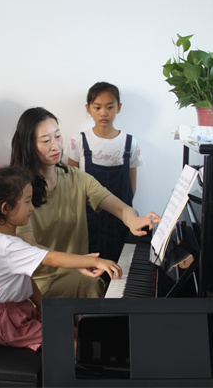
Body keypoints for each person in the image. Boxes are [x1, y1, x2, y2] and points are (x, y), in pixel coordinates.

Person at [10, 107, 161, 298]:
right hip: (39, 282)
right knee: (94, 285)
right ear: (28, 145)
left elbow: (121, 208)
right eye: (46, 141)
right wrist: (81, 261)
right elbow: (31, 249)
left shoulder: (77, 178)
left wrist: (132, 220)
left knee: (102, 282)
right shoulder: (20, 191)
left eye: (58, 136)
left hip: (79, 272)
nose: (56, 146)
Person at [0, 166, 122, 350]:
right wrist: (94, 261)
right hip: (6, 321)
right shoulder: (9, 247)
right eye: (27, 202)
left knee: (75, 331)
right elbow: (51, 258)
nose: (32, 207)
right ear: (6, 209)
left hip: (17, 310)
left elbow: (25, 281)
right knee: (73, 345)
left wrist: (44, 308)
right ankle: (82, 366)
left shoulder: (6, 241)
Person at [67, 82, 144, 269]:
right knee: (92, 267)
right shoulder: (79, 141)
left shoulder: (129, 143)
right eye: (97, 107)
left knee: (120, 266)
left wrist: (124, 212)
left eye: (110, 107)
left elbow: (131, 186)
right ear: (88, 108)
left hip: (121, 221)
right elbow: (71, 183)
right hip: (87, 221)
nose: (104, 113)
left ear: (119, 108)